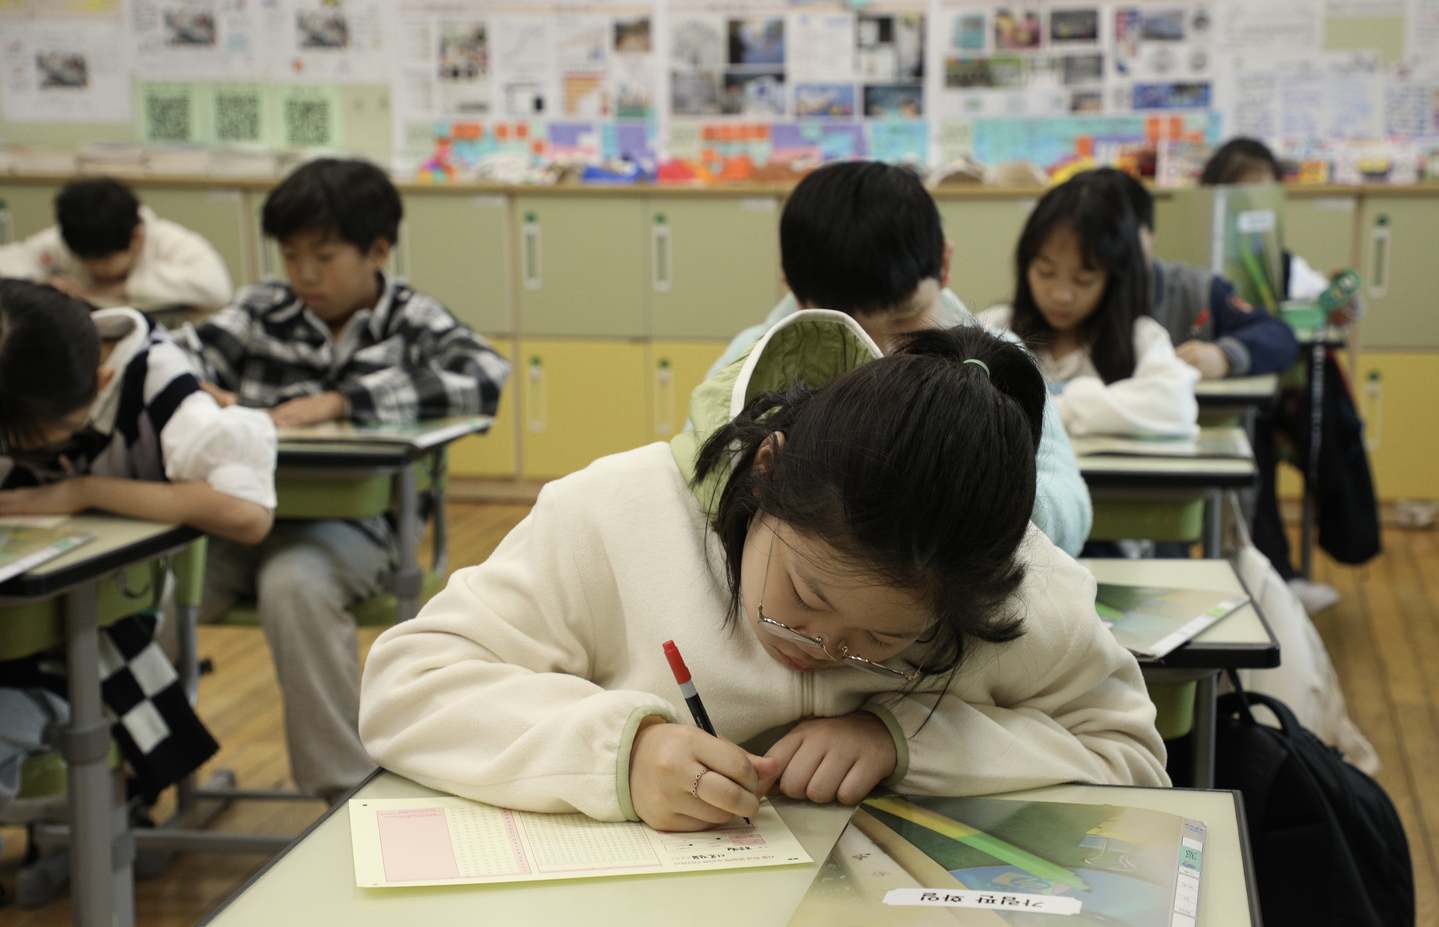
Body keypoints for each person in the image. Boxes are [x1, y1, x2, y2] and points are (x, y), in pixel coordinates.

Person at [360, 317, 1168, 831]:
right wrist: (623, 750)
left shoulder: (1017, 586)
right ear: (765, 472)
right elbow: (409, 682)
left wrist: (906, 740)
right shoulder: (611, 514)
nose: (819, 646)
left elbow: (1130, 753)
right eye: (803, 597)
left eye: (883, 642)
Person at [177, 158, 512, 802]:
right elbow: (168, 360)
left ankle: (342, 791)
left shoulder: (412, 320)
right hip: (237, 523)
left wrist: (342, 402)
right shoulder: (260, 311)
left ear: (377, 250)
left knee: (294, 585)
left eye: (324, 256)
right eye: (292, 255)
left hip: (355, 528)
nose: (304, 274)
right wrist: (194, 394)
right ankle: (129, 780)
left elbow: (485, 375)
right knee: (157, 593)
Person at [707, 161, 1092, 557]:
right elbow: (701, 483)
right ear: (795, 291)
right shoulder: (751, 361)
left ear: (943, 266)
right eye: (846, 327)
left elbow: (1071, 510)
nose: (880, 350)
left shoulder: (997, 359)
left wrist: (989, 492)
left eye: (905, 317)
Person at [1201, 139, 1379, 614]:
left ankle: (1276, 574)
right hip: (1198, 396)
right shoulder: (1194, 259)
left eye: (1268, 196)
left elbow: (1331, 304)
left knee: (1261, 435)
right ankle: (1266, 570)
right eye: (1244, 196)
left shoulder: (1282, 262)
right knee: (1245, 439)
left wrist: (1344, 304)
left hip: (1272, 399)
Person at [0, 279, 275, 540]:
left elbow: (248, 515)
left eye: (31, 437)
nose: (11, 444)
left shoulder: (160, 381)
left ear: (101, 383)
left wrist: (84, 492)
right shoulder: (33, 364)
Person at [978, 170, 1199, 438]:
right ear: (1026, 266)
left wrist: (1057, 408)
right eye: (1045, 273)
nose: (1061, 295)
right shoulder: (997, 327)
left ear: (1113, 279)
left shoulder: (1138, 339)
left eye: (1083, 280)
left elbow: (1175, 407)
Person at [1101, 167, 1300, 381]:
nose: (1112, 256)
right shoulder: (1069, 304)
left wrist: (1223, 356)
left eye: (1122, 240)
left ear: (1150, 234)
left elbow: (1278, 335)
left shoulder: (1195, 289)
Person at [0, 177, 233, 310]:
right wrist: (42, 285)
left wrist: (125, 287)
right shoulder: (69, 239)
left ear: (137, 237)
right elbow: (9, 261)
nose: (94, 271)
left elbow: (217, 288)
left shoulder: (168, 240)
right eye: (86, 262)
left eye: (104, 262)